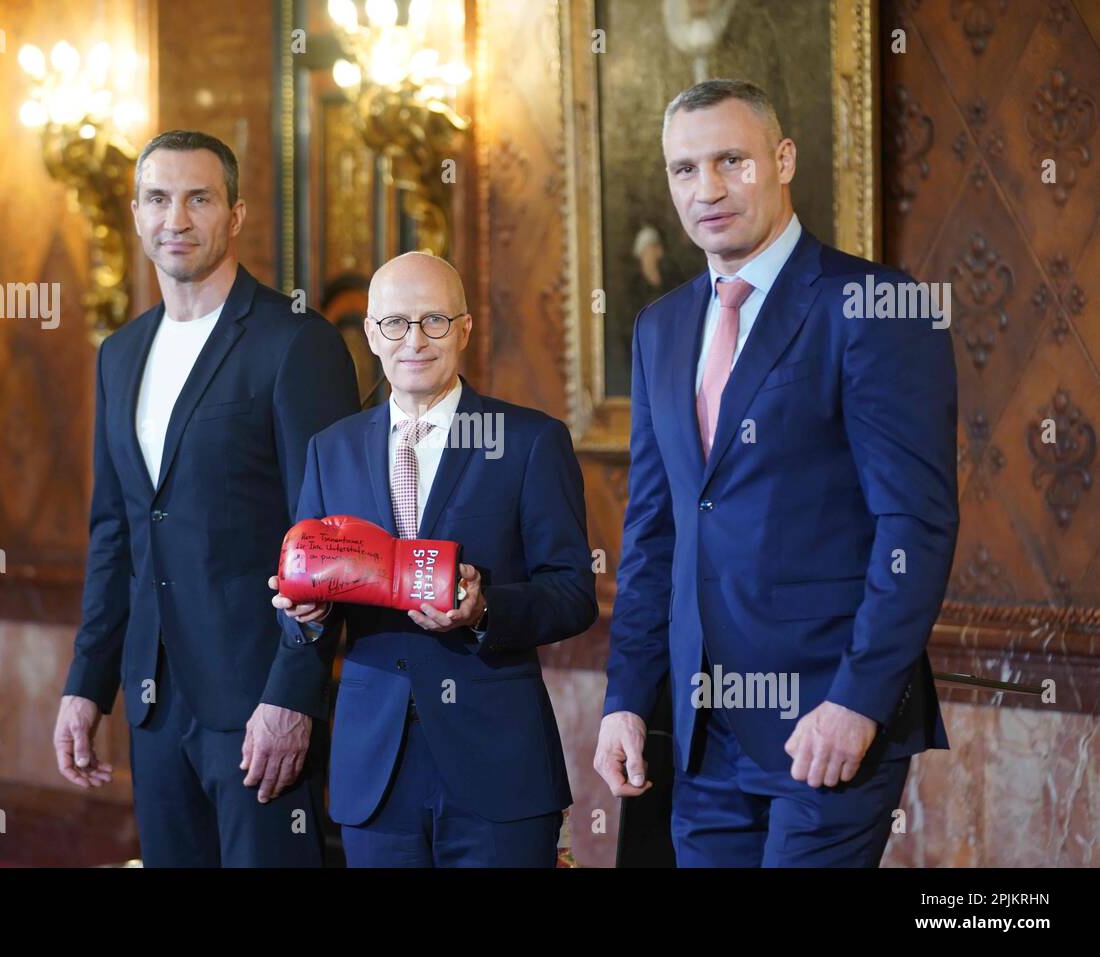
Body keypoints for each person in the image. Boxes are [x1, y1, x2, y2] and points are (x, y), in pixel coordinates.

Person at [595, 79, 958, 867]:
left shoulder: (872, 304)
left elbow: (915, 526)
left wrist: (858, 700)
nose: (709, 188)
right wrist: (626, 697)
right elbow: (654, 532)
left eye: (732, 160)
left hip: (826, 725)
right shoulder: (660, 328)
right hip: (702, 735)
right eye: (685, 169)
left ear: (783, 158)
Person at [53, 130, 359, 866]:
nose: (176, 219)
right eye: (158, 199)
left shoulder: (296, 344)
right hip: (154, 700)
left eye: (198, 198)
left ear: (236, 213)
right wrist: (87, 684)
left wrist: (294, 696)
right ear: (134, 213)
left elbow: (330, 541)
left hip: (258, 702)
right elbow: (116, 535)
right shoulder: (119, 354)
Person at [269, 252, 597, 867]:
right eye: (395, 323)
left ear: (465, 328)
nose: (414, 340)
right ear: (371, 333)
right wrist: (305, 614)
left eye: (435, 321)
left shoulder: (529, 441)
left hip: (499, 763)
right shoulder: (329, 450)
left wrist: (484, 609)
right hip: (376, 768)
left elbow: (573, 592)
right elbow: (306, 602)